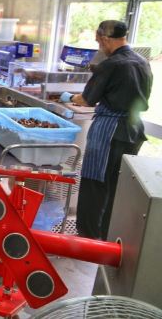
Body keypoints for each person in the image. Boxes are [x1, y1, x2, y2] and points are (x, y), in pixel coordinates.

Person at [60, 20, 152, 240]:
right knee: (117, 187)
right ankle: (109, 236)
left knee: (96, 183)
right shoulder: (142, 62)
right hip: (133, 131)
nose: (98, 44)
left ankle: (89, 238)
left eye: (98, 41)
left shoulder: (111, 64)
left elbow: (86, 99)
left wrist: (68, 97)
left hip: (109, 132)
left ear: (104, 38)